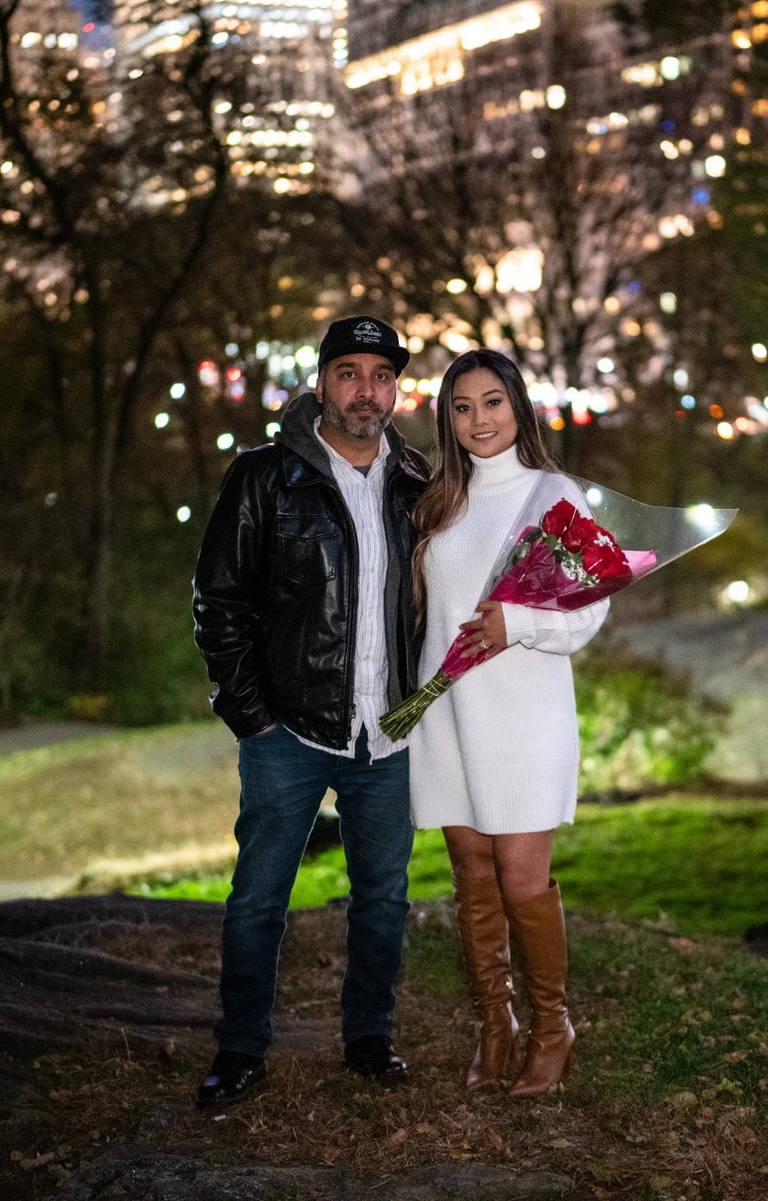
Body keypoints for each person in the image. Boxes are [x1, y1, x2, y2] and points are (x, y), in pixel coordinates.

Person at [190, 315, 429, 1104]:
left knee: (384, 897)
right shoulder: (264, 476)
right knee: (259, 898)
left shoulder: (417, 483)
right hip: (287, 730)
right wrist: (252, 713)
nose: (368, 389)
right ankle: (241, 1047)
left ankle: (368, 1037)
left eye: (382, 375)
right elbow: (219, 602)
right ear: (321, 382)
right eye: (350, 372)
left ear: (396, 389)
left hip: (387, 733)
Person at [407, 348, 608, 1096]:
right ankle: (499, 1022)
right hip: (449, 713)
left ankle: (554, 1024)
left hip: (524, 715)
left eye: (492, 402)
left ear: (518, 406)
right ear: (447, 418)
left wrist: (518, 621)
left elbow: (593, 607)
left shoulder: (553, 494)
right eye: (462, 407)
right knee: (472, 872)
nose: (478, 419)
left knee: (523, 876)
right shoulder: (440, 502)